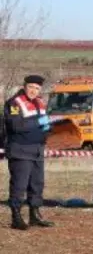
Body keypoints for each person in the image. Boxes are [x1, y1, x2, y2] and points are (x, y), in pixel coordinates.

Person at [3, 74, 54, 230]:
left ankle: (34, 215)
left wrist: (50, 128)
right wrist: (39, 122)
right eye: (31, 87)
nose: (33, 91)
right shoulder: (14, 103)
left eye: (37, 88)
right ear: (25, 86)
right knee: (19, 184)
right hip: (20, 150)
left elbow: (45, 126)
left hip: (37, 150)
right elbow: (16, 126)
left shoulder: (40, 103)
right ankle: (16, 217)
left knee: (37, 184)